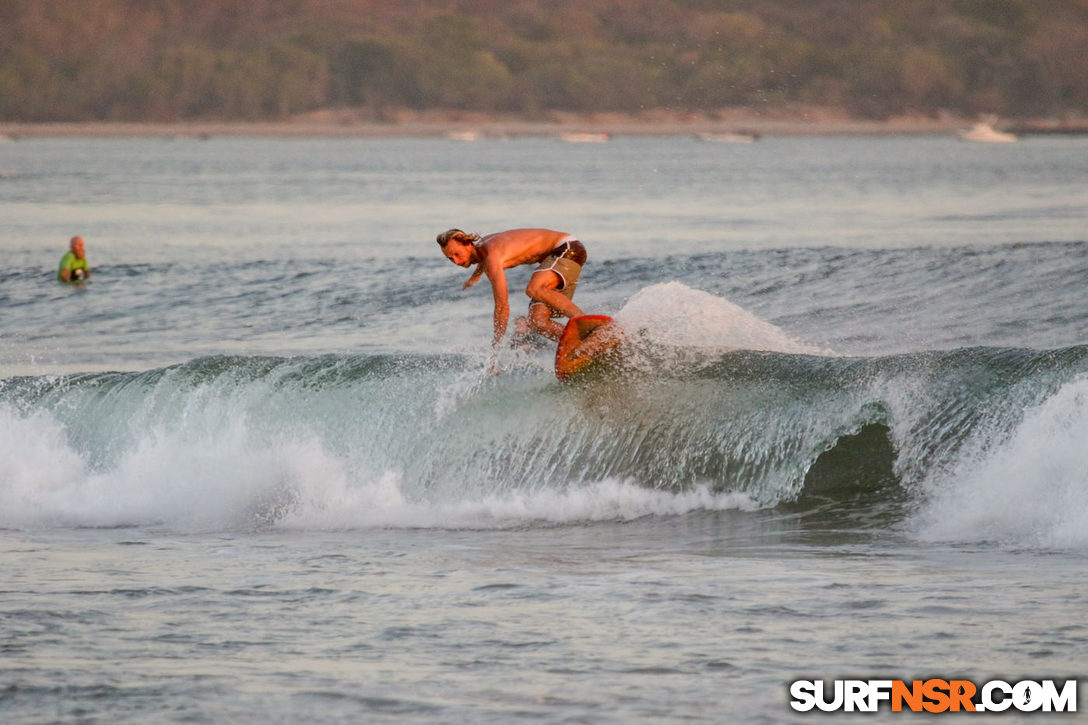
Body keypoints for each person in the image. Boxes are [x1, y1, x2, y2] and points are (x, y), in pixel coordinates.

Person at [437, 227, 588, 349]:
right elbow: (481, 260)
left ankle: (586, 325)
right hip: (552, 260)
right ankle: (580, 343)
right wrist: (475, 276)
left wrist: (496, 345)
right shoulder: (483, 251)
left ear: (468, 244)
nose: (455, 261)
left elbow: (502, 306)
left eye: (456, 254)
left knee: (534, 288)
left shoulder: (492, 256)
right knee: (537, 321)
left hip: (566, 248)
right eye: (450, 258)